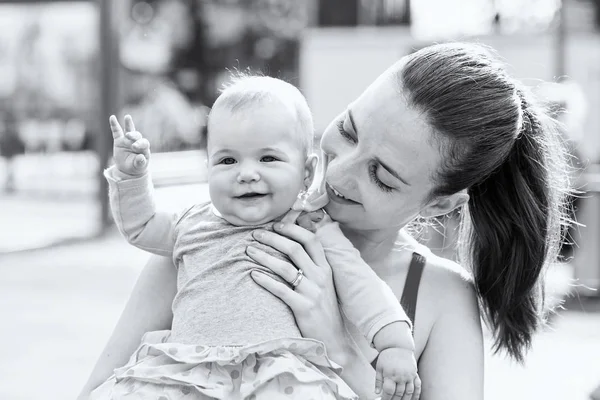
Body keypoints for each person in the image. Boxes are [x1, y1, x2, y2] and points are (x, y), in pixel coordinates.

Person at [78, 42, 571, 400]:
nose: (338, 170)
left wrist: (339, 347)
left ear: (441, 205)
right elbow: (101, 388)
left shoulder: (441, 299)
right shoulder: (213, 238)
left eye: (382, 176)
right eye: (350, 129)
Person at [89, 75, 420, 400]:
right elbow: (141, 226)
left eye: (268, 158)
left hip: (279, 377)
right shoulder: (192, 224)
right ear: (209, 169)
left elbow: (362, 285)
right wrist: (132, 176)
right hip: (188, 375)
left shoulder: (311, 227)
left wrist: (395, 344)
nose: (246, 174)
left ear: (306, 173)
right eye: (227, 160)